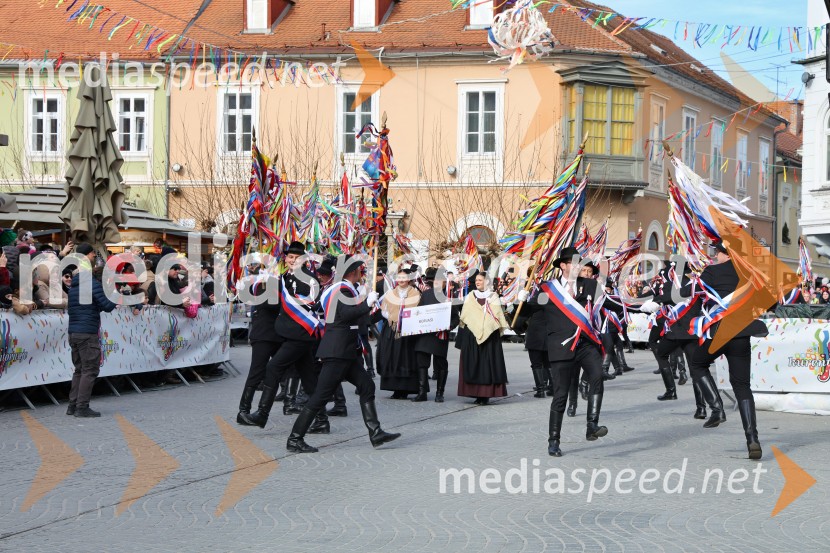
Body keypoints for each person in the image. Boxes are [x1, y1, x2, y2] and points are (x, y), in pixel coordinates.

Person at [286, 255, 400, 453]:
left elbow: (351, 321)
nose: (362, 274)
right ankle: (295, 439)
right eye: (360, 270)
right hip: (338, 351)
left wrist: (375, 314)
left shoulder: (343, 289)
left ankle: (375, 432)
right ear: (353, 272)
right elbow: (346, 315)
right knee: (320, 397)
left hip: (346, 351)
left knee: (367, 385)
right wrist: (366, 304)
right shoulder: (342, 289)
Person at [687, 240, 770, 460]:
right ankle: (752, 439)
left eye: (717, 253)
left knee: (697, 364)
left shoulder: (712, 271)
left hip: (719, 333)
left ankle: (717, 408)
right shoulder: (750, 273)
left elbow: (688, 292)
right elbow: (772, 304)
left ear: (726, 254)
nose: (715, 257)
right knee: (743, 387)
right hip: (742, 334)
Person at [523, 247, 608, 457]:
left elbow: (609, 305)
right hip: (560, 347)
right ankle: (554, 440)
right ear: (563, 265)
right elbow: (529, 311)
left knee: (597, 374)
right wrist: (523, 299)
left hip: (585, 344)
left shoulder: (589, 284)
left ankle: (592, 425)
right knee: (560, 395)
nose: (579, 266)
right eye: (574, 263)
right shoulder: (548, 289)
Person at [239, 242, 328, 433]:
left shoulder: (309, 280)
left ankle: (262, 414)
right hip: (291, 335)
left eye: (296, 258)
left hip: (301, 334)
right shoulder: (284, 277)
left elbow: (307, 304)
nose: (292, 260)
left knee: (272, 368)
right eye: (289, 257)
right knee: (310, 381)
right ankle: (322, 420)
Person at [66, 243, 119, 417]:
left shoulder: (75, 283)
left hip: (73, 331)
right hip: (87, 332)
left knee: (79, 369)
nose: (94, 258)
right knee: (90, 370)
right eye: (92, 255)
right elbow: (107, 305)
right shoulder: (91, 282)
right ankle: (82, 407)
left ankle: (72, 405)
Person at [455, 271, 509, 405]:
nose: (478, 282)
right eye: (477, 280)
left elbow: (496, 316)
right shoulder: (470, 296)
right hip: (471, 335)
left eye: (480, 280)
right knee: (473, 363)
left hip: (489, 337)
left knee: (487, 365)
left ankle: (485, 395)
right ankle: (475, 392)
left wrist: (486, 327)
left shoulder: (493, 296)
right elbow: (466, 315)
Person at [236, 272, 282, 424]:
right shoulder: (263, 287)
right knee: (256, 372)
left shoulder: (277, 286)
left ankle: (264, 410)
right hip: (263, 336)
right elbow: (270, 304)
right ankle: (243, 410)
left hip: (276, 336)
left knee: (278, 371)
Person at [412, 267, 459, 402]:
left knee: (441, 363)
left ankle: (440, 393)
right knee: (421, 362)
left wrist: (449, 326)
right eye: (437, 280)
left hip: (440, 335)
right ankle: (422, 393)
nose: (439, 283)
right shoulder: (426, 294)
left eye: (442, 281)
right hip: (425, 334)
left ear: (445, 283)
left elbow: (456, 317)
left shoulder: (449, 297)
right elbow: (418, 311)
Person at [377, 267, 421, 399]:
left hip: (408, 330)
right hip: (392, 329)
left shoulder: (415, 293)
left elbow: (418, 310)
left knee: (406, 358)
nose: (401, 280)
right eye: (399, 277)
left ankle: (405, 388)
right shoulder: (390, 293)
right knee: (392, 356)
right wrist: (393, 318)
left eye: (404, 277)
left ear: (409, 279)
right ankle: (394, 387)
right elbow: (383, 310)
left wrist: (405, 319)